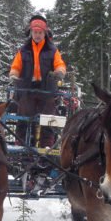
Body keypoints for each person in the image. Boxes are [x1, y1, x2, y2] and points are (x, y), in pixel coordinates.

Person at [8, 14, 67, 147]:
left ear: (45, 33)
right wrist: (13, 75)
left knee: (48, 117)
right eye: (35, 32)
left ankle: (46, 146)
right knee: (24, 112)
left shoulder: (52, 50)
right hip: (27, 88)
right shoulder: (23, 50)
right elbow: (16, 66)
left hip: (46, 89)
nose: (37, 35)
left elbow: (60, 64)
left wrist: (60, 72)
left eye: (40, 32)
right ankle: (22, 143)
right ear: (31, 32)